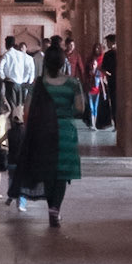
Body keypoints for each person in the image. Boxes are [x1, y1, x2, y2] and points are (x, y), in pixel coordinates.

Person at [17, 40, 84, 227]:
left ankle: (51, 208)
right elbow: (80, 108)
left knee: (48, 171)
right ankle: (55, 209)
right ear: (64, 63)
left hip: (43, 131)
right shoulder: (72, 83)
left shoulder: (38, 84)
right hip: (65, 132)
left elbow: (27, 109)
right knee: (61, 174)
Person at [0, 34, 27, 111]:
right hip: (19, 83)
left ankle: (13, 122)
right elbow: (26, 67)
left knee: (11, 106)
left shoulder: (7, 54)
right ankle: (19, 122)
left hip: (10, 83)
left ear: (6, 44)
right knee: (19, 106)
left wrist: (3, 77)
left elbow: (0, 67)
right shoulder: (20, 54)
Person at [99, 34, 118, 128]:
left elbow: (103, 69)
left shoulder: (108, 54)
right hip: (119, 82)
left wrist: (109, 74)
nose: (107, 44)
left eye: (108, 42)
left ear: (112, 42)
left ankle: (116, 124)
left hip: (112, 81)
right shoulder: (120, 54)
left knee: (114, 102)